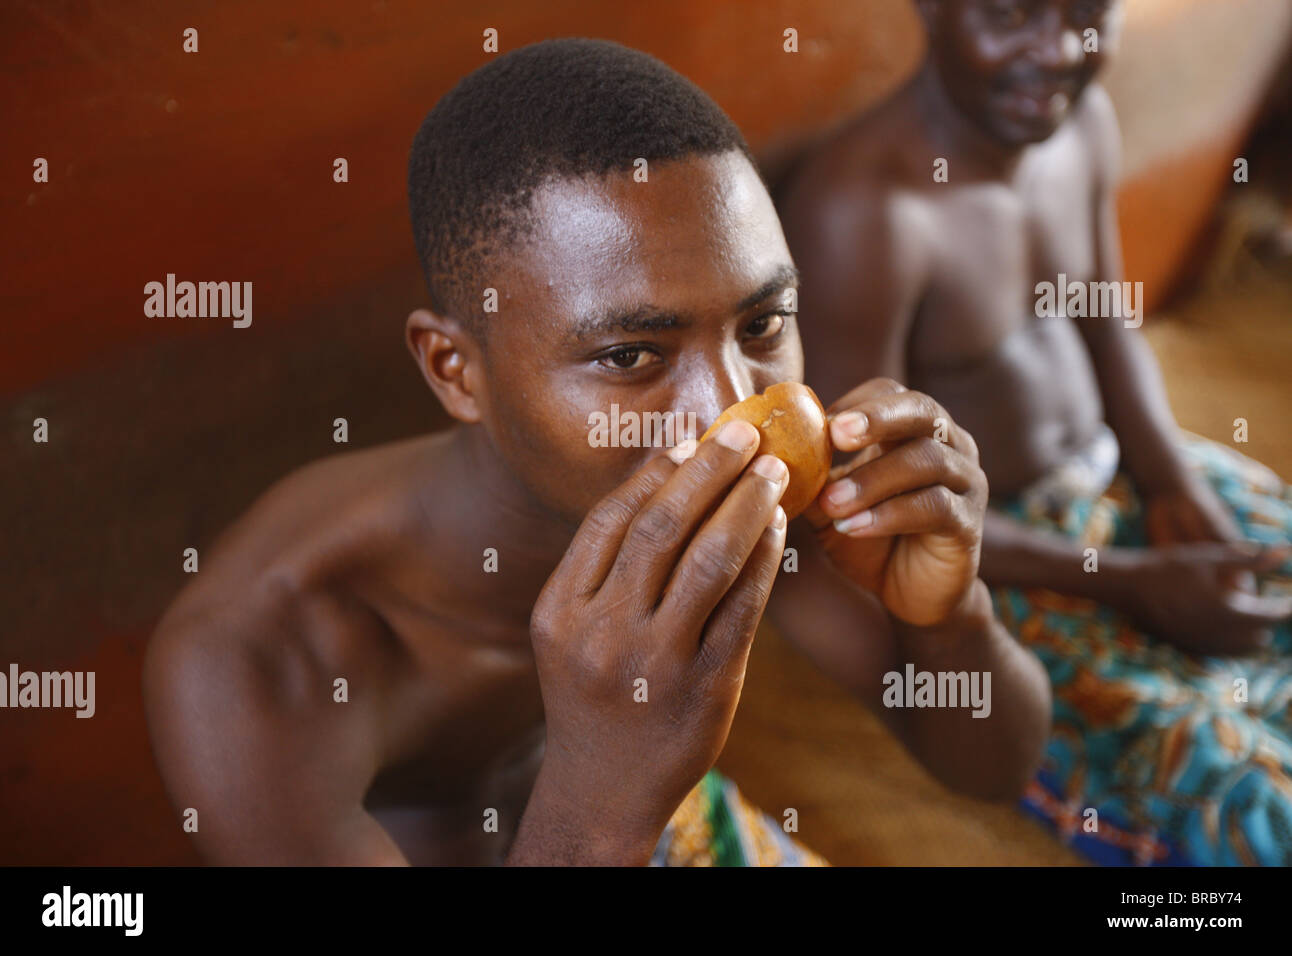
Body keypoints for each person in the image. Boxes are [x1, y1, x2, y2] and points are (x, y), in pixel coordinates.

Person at [143, 37, 1049, 866]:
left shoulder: (765, 497)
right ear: (457, 370)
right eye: (629, 357)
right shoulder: (257, 656)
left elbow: (992, 767)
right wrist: (600, 802)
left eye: (763, 323)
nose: (734, 413)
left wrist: (948, 616)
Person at [776, 0, 1292, 865]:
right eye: (1011, 13)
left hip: (1119, 465)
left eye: (1088, 14)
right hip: (991, 549)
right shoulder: (867, 214)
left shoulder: (1081, 124)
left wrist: (1173, 481)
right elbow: (865, 508)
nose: (1056, 50)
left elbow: (1103, 320)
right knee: (1249, 801)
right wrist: (1129, 582)